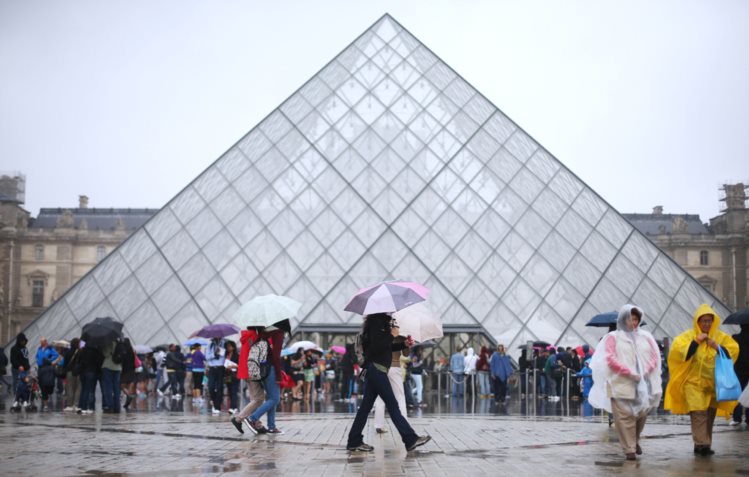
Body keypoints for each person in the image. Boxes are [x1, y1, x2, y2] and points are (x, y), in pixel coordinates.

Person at [346, 313, 431, 452]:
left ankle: (354, 440)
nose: (392, 312)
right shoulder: (376, 325)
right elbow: (376, 348)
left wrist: (403, 344)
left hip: (375, 370)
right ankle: (410, 439)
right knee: (392, 405)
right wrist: (392, 334)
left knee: (365, 408)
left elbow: (385, 347)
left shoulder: (379, 324)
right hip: (377, 370)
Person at [664, 303, 739, 456]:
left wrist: (716, 346)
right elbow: (681, 354)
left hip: (713, 385)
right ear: (697, 322)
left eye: (709, 321)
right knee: (698, 414)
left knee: (709, 415)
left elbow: (732, 351)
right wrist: (696, 342)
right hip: (693, 384)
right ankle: (702, 444)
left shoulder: (720, 337)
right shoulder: (687, 337)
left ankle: (702, 445)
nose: (706, 324)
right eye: (703, 321)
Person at [588, 305, 662, 461]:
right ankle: (629, 449)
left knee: (641, 414)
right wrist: (629, 372)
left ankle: (634, 441)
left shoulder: (646, 337)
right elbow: (610, 358)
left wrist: (645, 371)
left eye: (635, 319)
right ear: (623, 319)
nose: (633, 322)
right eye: (630, 318)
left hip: (643, 383)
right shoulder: (613, 338)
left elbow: (655, 357)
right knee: (624, 417)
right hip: (619, 383)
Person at [246, 325, 285, 434]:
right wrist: (279, 375)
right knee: (275, 399)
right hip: (271, 369)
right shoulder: (278, 333)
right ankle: (252, 418)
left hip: (262, 369)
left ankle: (271, 426)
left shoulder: (263, 333)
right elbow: (276, 356)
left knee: (271, 398)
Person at [232, 327, 268, 434]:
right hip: (252, 370)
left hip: (245, 370)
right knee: (259, 399)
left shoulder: (246, 336)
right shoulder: (254, 337)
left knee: (254, 399)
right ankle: (238, 418)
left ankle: (257, 424)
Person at [374, 335, 411, 433]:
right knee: (400, 397)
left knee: (380, 397)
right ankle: (404, 424)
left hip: (381, 366)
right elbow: (406, 354)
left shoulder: (382, 332)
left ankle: (379, 425)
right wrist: (407, 343)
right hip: (395, 367)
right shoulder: (401, 335)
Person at [730, 324, 749, 426]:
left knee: (737, 394)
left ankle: (736, 418)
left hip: (738, 369)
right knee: (748, 394)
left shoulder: (735, 338)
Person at [77, 344, 103, 414]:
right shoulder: (95, 351)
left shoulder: (82, 351)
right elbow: (99, 362)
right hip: (91, 372)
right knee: (90, 390)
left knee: (83, 389)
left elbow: (79, 361)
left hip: (82, 372)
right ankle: (90, 407)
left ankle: (81, 406)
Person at [36, 337, 61, 409]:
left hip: (47, 366)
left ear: (45, 342)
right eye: (40, 342)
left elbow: (56, 355)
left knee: (48, 381)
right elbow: (37, 356)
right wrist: (38, 360)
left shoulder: (50, 348)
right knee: (41, 382)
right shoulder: (39, 348)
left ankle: (46, 394)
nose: (41, 343)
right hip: (40, 367)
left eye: (42, 342)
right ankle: (44, 395)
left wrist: (49, 360)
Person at [100, 339, 122, 413]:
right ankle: (117, 407)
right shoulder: (119, 343)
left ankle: (110, 406)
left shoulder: (107, 342)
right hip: (118, 367)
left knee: (108, 387)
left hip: (108, 366)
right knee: (116, 388)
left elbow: (105, 354)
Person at [206, 338, 226, 414]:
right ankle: (215, 402)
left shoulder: (224, 344)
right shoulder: (210, 345)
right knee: (210, 387)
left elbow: (225, 354)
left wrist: (220, 351)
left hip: (220, 368)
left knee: (219, 388)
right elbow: (207, 357)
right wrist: (214, 353)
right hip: (212, 368)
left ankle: (217, 406)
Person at [63, 338, 82, 411]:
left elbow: (65, 363)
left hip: (70, 372)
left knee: (70, 388)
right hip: (79, 372)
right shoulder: (81, 352)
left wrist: (65, 370)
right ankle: (76, 405)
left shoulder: (68, 352)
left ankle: (69, 405)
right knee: (78, 389)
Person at [224, 340, 240, 414]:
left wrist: (233, 366)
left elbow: (240, 366)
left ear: (233, 347)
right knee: (230, 391)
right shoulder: (226, 356)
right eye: (227, 347)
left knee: (234, 391)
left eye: (230, 346)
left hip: (235, 375)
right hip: (227, 375)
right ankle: (232, 407)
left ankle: (234, 407)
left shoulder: (237, 356)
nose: (228, 348)